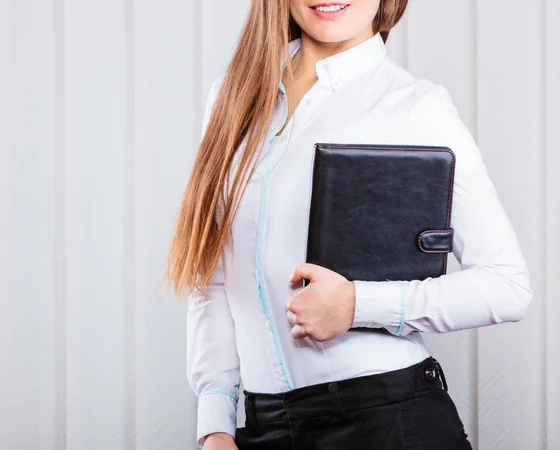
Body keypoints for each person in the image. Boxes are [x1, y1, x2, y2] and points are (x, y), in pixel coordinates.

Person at [165, 0, 533, 449]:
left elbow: (507, 286)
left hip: (386, 423)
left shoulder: (415, 106)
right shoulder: (232, 99)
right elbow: (216, 278)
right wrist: (215, 425)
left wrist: (357, 305)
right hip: (264, 428)